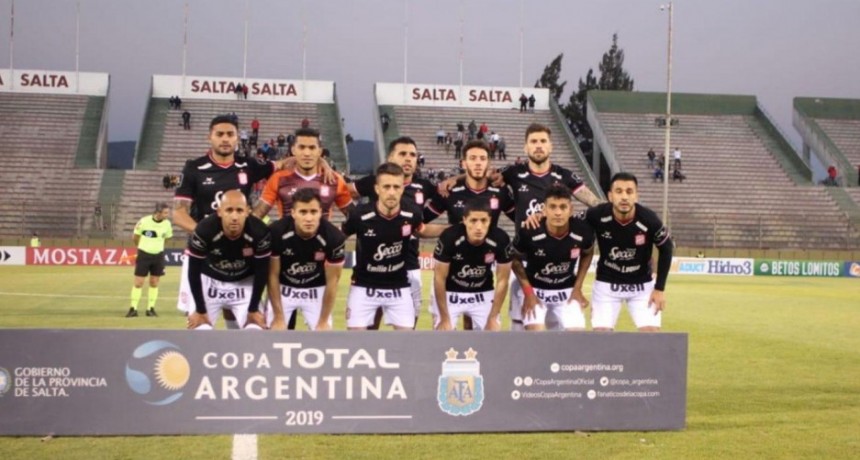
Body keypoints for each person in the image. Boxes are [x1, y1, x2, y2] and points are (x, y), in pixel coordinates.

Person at [173, 114, 283, 327]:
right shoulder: (194, 168)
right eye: (220, 134)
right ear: (210, 137)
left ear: (237, 138)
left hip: (241, 253)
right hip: (204, 255)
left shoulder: (248, 165)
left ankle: (234, 345)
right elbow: (178, 214)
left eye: (230, 134)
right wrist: (207, 235)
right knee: (199, 318)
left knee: (238, 313)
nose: (225, 139)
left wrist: (323, 163)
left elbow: (285, 164)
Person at [349, 137, 446, 328]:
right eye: (402, 154)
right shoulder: (373, 181)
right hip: (373, 266)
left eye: (412, 155)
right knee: (370, 321)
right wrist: (355, 216)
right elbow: (345, 192)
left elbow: (445, 200)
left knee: (410, 321)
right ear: (390, 157)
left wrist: (454, 180)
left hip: (409, 263)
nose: (408, 158)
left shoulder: (424, 186)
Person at [584, 172, 673, 332]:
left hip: (642, 286)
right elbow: (567, 222)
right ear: (610, 196)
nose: (624, 197)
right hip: (606, 285)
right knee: (601, 336)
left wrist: (659, 289)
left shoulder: (649, 219)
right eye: (619, 191)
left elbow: (667, 248)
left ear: (636, 196)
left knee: (652, 336)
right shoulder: (596, 215)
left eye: (629, 191)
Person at [511, 185, 595, 331]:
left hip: (567, 290)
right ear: (544, 210)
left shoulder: (583, 231)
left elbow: (588, 252)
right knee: (536, 334)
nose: (558, 213)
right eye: (553, 207)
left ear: (571, 210)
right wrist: (528, 292)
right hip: (535, 290)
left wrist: (578, 288)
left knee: (577, 335)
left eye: (563, 207)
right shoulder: (530, 230)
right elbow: (513, 258)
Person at [185, 190, 271, 330]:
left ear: (247, 211)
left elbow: (262, 272)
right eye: (229, 210)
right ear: (219, 211)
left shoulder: (260, 232)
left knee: (255, 330)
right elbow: (193, 271)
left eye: (239, 210)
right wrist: (200, 310)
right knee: (200, 330)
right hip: (210, 281)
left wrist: (253, 309)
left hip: (244, 282)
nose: (234, 217)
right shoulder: (204, 229)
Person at [266, 188, 346, 331]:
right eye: (303, 212)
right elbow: (272, 276)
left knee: (323, 334)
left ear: (320, 212)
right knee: (274, 332)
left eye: (313, 212)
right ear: (293, 213)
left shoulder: (334, 237)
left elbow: (332, 282)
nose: (309, 218)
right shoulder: (276, 232)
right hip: (284, 288)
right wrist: (278, 317)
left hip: (316, 289)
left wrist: (323, 321)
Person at [432, 200, 512, 331]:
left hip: (482, 293)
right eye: (473, 220)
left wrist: (492, 317)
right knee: (443, 334)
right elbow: (439, 278)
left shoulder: (500, 239)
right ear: (464, 220)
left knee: (493, 334)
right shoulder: (449, 237)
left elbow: (503, 280)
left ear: (490, 220)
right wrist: (445, 318)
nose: (479, 227)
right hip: (450, 293)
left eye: (484, 220)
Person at [254, 128, 353, 221]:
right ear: (293, 150)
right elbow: (257, 216)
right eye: (301, 147)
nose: (307, 153)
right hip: (287, 234)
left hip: (322, 234)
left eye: (312, 148)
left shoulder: (333, 179)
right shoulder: (278, 179)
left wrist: (338, 234)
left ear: (319, 151)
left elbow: (354, 219)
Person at [126, 203, 173, 318]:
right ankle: (133, 309)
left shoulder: (167, 224)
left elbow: (167, 238)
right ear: (158, 212)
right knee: (138, 283)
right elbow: (135, 237)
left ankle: (150, 309)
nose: (167, 215)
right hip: (144, 255)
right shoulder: (144, 221)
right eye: (165, 213)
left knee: (154, 282)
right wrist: (141, 247)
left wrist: (158, 247)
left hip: (158, 256)